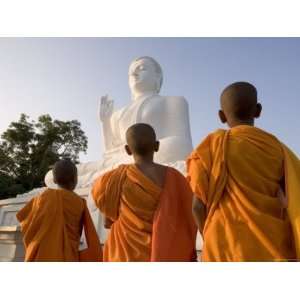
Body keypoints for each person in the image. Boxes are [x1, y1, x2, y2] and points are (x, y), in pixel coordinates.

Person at [187, 81, 300, 262]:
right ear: (258, 110)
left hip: (222, 244)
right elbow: (292, 197)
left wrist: (207, 233)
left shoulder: (211, 147)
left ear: (221, 116)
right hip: (271, 244)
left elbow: (197, 206)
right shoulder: (277, 149)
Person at [92, 123, 197, 262]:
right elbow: (190, 216)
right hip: (169, 249)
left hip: (125, 253)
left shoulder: (114, 179)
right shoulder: (176, 177)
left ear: (127, 150)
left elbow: (107, 216)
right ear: (157, 146)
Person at [16, 160, 102, 262]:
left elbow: (26, 223)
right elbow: (89, 234)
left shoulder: (42, 198)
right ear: (75, 179)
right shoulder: (80, 202)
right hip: (68, 255)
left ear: (54, 180)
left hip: (41, 255)